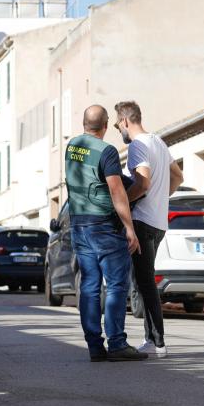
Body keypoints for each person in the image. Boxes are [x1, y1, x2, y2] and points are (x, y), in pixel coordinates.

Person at [65, 105, 147, 362]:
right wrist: (129, 227)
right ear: (105, 124)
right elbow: (116, 190)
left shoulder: (72, 146)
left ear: (84, 123)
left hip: (79, 225)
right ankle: (117, 343)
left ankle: (94, 346)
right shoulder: (107, 151)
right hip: (104, 226)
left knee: (89, 286)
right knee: (116, 285)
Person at [114, 101, 184, 358]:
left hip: (142, 221)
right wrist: (161, 198)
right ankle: (151, 339)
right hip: (158, 222)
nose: (119, 131)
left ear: (124, 121)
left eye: (117, 126)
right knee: (144, 281)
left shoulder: (137, 146)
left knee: (145, 283)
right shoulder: (159, 142)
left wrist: (122, 202)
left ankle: (158, 341)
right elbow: (178, 176)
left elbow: (142, 183)